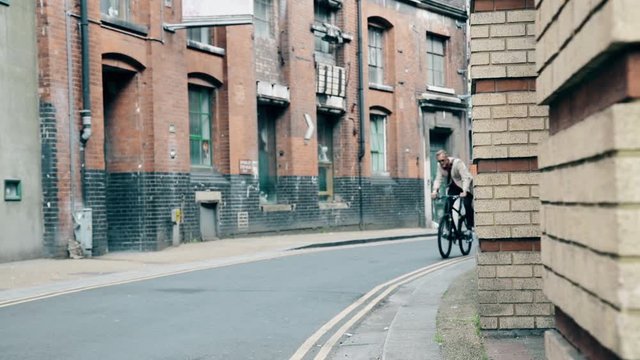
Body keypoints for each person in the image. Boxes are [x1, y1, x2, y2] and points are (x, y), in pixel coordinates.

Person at [431, 149, 474, 231]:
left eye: (442, 160)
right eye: (439, 161)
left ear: (447, 158)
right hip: (453, 187)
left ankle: (470, 227)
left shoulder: (457, 163)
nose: (441, 163)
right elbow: (438, 179)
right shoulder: (439, 166)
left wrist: (464, 191)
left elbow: (465, 178)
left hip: (464, 185)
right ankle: (450, 229)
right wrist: (435, 191)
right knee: (448, 205)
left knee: (467, 204)